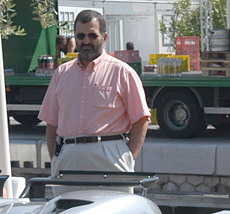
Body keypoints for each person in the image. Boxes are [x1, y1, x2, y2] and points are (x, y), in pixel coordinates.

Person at [38, 9, 150, 177]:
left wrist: (129, 157)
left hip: (111, 156)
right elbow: (51, 122)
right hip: (68, 156)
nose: (86, 41)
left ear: (104, 37)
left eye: (92, 35)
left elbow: (141, 119)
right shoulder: (61, 74)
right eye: (81, 36)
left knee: (113, 204)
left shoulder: (122, 72)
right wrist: (55, 159)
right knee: (67, 204)